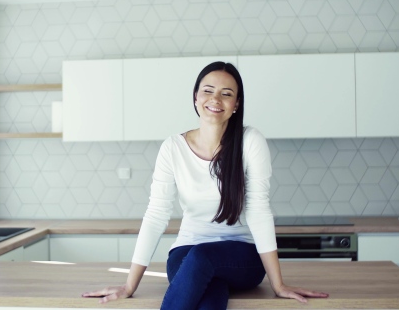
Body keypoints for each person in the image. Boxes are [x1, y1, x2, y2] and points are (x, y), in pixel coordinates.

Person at [82, 61, 329, 309]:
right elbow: (157, 214)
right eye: (208, 90)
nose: (216, 99)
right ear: (196, 97)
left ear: (237, 104)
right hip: (186, 255)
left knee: (203, 256)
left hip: (242, 257)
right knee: (210, 293)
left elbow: (258, 210)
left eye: (227, 93)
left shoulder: (250, 141)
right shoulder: (173, 148)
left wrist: (278, 285)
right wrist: (129, 285)